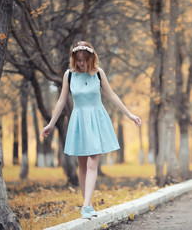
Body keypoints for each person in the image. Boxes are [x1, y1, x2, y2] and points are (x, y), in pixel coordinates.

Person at [41, 41, 141, 219]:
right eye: (78, 60)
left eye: (84, 60)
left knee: (92, 163)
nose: (81, 64)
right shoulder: (69, 75)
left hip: (96, 121)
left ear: (91, 58)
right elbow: (61, 100)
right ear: (74, 59)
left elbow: (112, 96)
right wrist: (51, 124)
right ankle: (87, 204)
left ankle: (86, 205)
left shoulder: (98, 74)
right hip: (79, 122)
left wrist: (130, 115)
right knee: (82, 166)